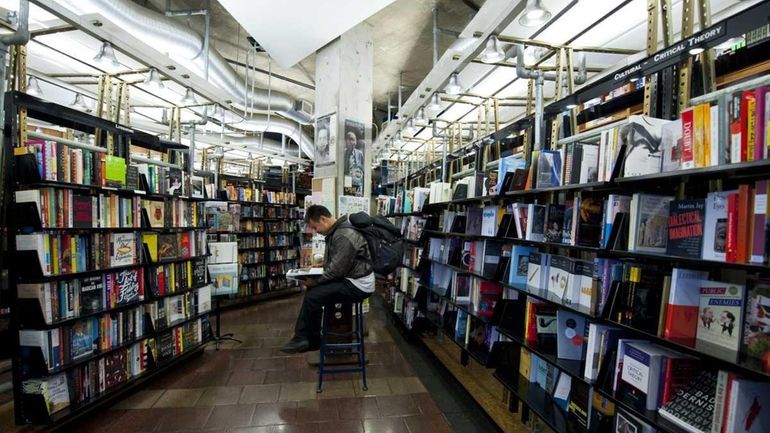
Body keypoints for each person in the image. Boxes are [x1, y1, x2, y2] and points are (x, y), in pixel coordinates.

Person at [280, 205, 374, 353]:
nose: (316, 231)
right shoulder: (337, 232)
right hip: (351, 278)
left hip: (358, 285)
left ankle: (310, 340)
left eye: (315, 227)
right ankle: (304, 337)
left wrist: (316, 281)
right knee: (313, 293)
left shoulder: (343, 235)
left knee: (313, 297)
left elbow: (336, 271)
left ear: (323, 219)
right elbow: (337, 265)